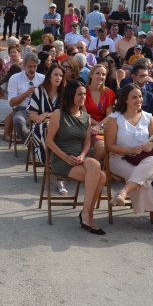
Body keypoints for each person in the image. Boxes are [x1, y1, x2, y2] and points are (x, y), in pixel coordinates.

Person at [103, 84, 153, 238]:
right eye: (134, 97)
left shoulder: (148, 117)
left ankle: (124, 191)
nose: (139, 100)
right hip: (118, 159)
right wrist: (130, 150)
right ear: (125, 99)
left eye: (140, 97)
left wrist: (149, 145)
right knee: (143, 181)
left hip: (143, 160)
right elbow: (109, 146)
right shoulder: (114, 118)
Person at [45, 80, 107, 234]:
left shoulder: (86, 117)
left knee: (96, 167)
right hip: (61, 160)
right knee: (101, 177)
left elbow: (87, 142)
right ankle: (88, 215)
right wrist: (65, 157)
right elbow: (49, 141)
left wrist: (83, 155)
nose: (83, 97)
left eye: (84, 94)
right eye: (79, 94)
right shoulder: (59, 114)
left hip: (78, 158)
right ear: (71, 95)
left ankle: (86, 213)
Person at [27, 63, 65, 188]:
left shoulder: (64, 94)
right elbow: (32, 115)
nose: (58, 78)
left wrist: (52, 116)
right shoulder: (38, 91)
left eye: (61, 75)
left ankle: (56, 169)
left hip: (60, 126)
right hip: (41, 125)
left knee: (65, 134)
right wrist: (42, 117)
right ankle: (56, 172)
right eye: (56, 74)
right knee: (45, 131)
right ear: (49, 76)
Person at [8, 53, 45, 145]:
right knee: (18, 121)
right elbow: (12, 103)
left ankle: (44, 148)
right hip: (22, 109)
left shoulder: (42, 78)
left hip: (40, 110)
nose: (32, 69)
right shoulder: (15, 78)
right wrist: (26, 94)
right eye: (30, 66)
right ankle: (32, 146)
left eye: (34, 66)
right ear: (23, 65)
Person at [83, 63, 115, 162]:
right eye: (97, 73)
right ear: (91, 75)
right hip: (86, 125)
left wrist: (99, 127)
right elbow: (84, 115)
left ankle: (95, 169)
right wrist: (96, 127)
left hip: (103, 127)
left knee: (101, 146)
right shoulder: (83, 91)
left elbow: (109, 115)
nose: (100, 76)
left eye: (103, 74)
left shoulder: (109, 92)